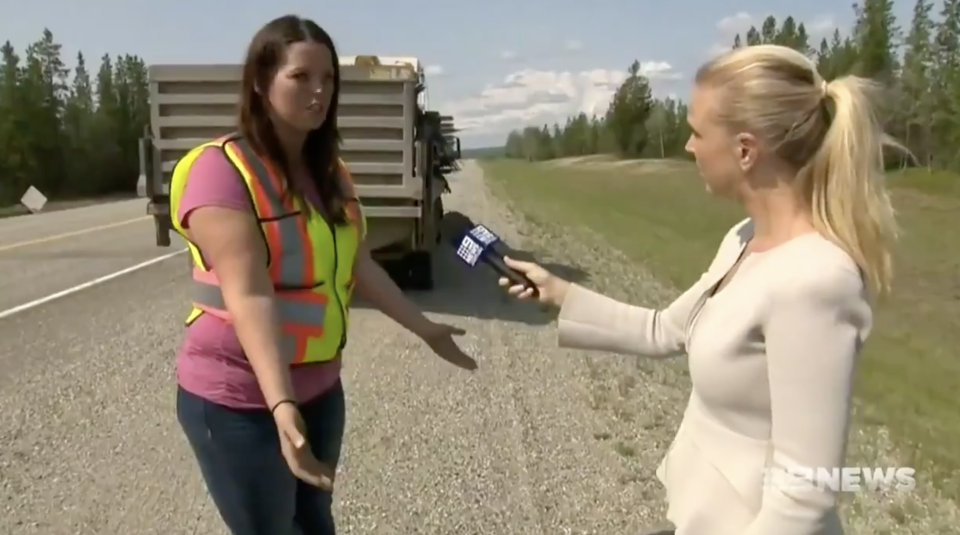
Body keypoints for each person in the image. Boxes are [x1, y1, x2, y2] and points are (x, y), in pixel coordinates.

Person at [500, 44, 898, 535]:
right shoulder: (744, 239)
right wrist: (559, 293)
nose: (688, 147)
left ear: (746, 150)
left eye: (696, 132)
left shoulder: (816, 282)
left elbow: (805, 496)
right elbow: (666, 329)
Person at [168, 15, 476, 535]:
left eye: (328, 79)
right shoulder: (219, 170)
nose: (319, 92)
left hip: (321, 389)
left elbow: (357, 265)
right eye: (301, 77)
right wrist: (282, 404)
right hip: (239, 399)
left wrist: (426, 330)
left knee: (314, 522)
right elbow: (250, 296)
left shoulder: (330, 171)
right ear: (262, 83)